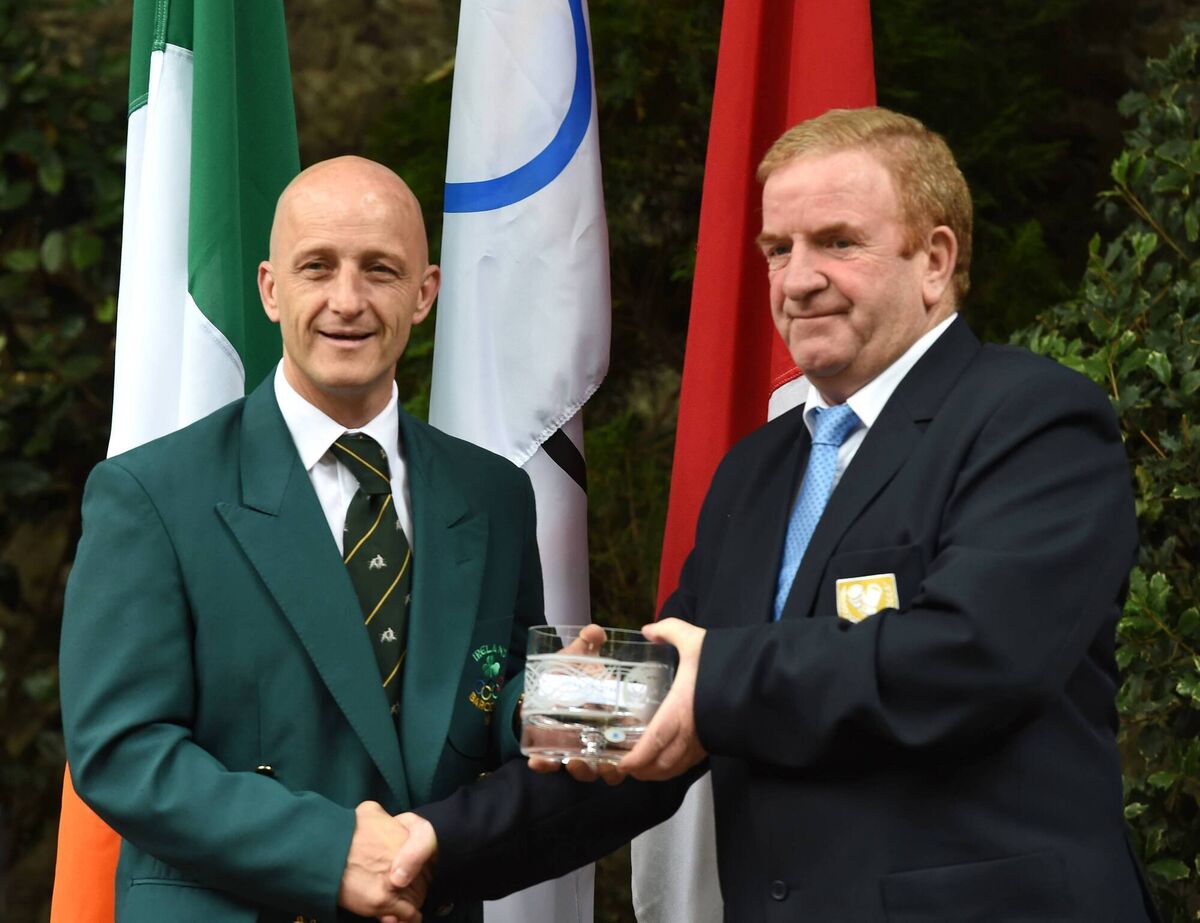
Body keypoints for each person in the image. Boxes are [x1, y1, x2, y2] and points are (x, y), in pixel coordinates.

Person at [558, 107, 1160, 921]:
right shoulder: (751, 473)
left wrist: (716, 677)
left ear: (935, 260)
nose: (797, 279)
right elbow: (676, 707)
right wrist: (436, 842)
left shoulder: (1036, 419)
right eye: (778, 249)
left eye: (837, 242)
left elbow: (971, 655)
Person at [59, 156, 677, 923]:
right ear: (270, 288)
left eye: (380, 269)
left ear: (424, 292)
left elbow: (488, 686)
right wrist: (328, 853)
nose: (346, 300)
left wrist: (560, 701)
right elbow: (120, 749)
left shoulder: (491, 493)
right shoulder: (152, 493)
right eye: (317, 267)